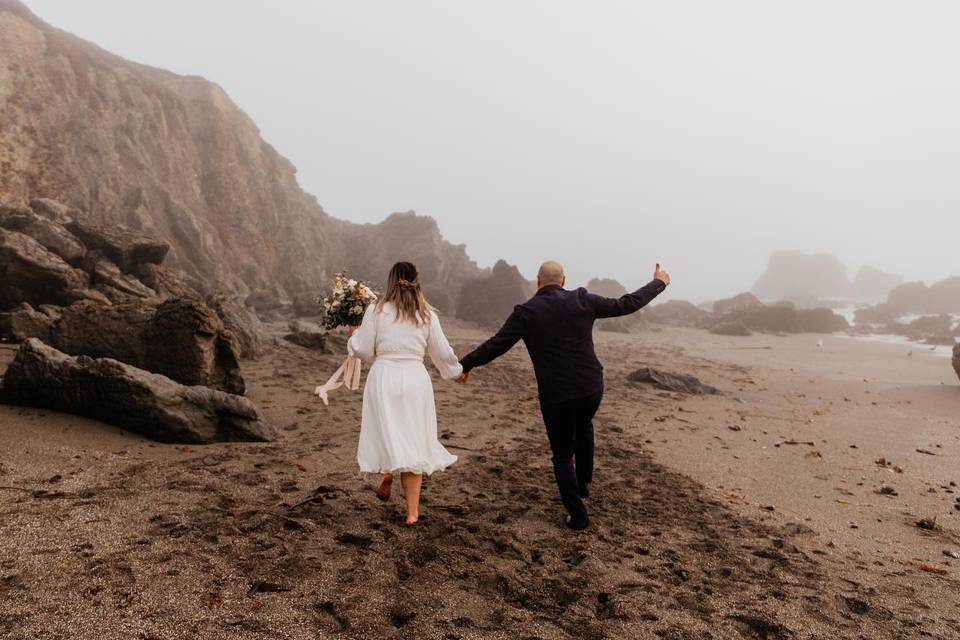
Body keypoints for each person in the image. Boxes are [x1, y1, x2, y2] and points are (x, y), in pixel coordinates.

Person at [457, 261, 671, 530]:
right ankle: (582, 484)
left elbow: (496, 345)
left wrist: (465, 365)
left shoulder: (526, 312)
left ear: (538, 281)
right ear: (563, 280)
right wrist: (659, 282)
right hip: (590, 387)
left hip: (556, 395)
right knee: (583, 425)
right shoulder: (581, 299)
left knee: (561, 454)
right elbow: (625, 304)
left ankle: (578, 513)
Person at [347, 261, 463, 526]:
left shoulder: (376, 311)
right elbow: (442, 353)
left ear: (390, 282)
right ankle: (412, 512)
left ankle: (388, 471)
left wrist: (352, 337)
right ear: (417, 281)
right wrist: (456, 371)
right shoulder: (427, 315)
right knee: (412, 439)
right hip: (414, 378)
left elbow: (364, 350)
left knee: (388, 429)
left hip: (384, 375)